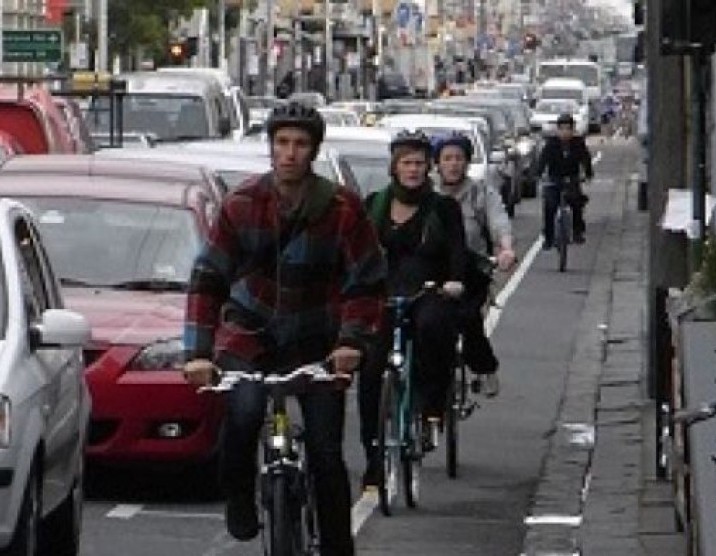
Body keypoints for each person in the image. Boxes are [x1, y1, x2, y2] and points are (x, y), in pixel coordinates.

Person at [182, 102, 387, 555]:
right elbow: (208, 279)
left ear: (313, 151)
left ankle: (336, 545)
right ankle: (239, 498)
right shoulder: (241, 204)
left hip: (318, 343)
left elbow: (367, 283)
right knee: (243, 414)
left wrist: (352, 341)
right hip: (248, 336)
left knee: (327, 455)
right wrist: (197, 352)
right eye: (282, 143)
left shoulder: (342, 208)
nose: (290, 153)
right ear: (271, 148)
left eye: (299, 144)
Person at [358, 129, 467, 488]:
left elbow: (457, 252)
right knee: (372, 370)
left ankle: (432, 403)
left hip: (428, 290)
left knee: (434, 326)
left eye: (420, 163)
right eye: (406, 163)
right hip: (383, 294)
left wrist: (454, 281)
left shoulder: (443, 208)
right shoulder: (374, 203)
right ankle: (374, 456)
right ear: (394, 167)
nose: (413, 170)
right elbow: (355, 253)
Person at [433, 132, 516, 397]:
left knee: (468, 321)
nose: (453, 164)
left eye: (459, 158)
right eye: (447, 158)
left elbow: (498, 220)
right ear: (437, 163)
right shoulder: (427, 193)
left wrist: (505, 249)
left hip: (471, 271)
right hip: (433, 270)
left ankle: (485, 367)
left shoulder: (481, 192)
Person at [535, 113, 593, 249]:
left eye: (568, 128)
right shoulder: (551, 143)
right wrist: (538, 174)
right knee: (550, 205)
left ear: (573, 130)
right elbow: (543, 160)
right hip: (554, 179)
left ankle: (577, 232)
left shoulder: (578, 143)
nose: (565, 132)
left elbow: (586, 159)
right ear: (558, 130)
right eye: (562, 129)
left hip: (572, 178)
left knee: (577, 202)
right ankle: (548, 238)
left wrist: (588, 174)